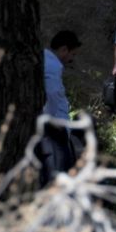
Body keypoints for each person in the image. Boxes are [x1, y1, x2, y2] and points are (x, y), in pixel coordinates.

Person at [38, 30, 82, 188]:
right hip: (54, 130)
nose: (72, 59)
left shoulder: (44, 60)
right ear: (64, 50)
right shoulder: (53, 66)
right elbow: (52, 94)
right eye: (72, 54)